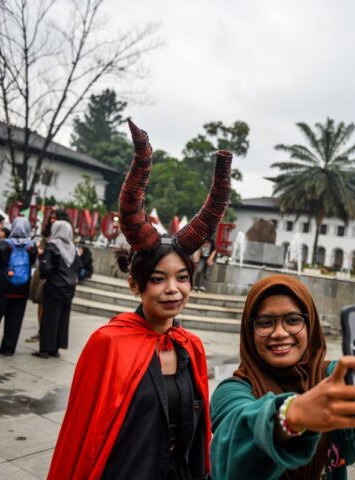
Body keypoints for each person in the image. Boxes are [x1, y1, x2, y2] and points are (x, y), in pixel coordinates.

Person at [47, 119, 233, 479]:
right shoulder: (108, 344)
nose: (173, 289)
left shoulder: (190, 346)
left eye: (182, 278)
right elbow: (82, 437)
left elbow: (198, 441)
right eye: (158, 279)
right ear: (136, 284)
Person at [210, 274, 355, 479]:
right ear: (249, 331)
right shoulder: (232, 391)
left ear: (311, 327)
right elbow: (232, 454)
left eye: (293, 320)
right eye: (265, 323)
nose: (280, 332)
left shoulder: (332, 379)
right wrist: (292, 416)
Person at [32, 220, 80, 358]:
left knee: (49, 318)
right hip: (69, 289)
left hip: (54, 287)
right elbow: (77, 266)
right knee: (62, 319)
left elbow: (46, 269)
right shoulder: (73, 248)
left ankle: (45, 349)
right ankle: (56, 349)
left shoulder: (53, 246)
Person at [25, 209, 72, 344]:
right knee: (41, 302)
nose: (52, 220)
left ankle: (46, 334)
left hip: (54, 274)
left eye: (55, 218)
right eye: (51, 218)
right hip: (43, 271)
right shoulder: (46, 235)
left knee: (48, 304)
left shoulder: (64, 238)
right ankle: (41, 331)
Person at [0, 218, 36, 355]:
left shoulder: (4, 244)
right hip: (22, 288)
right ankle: (8, 348)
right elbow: (32, 263)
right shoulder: (31, 247)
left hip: (2, 287)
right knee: (15, 320)